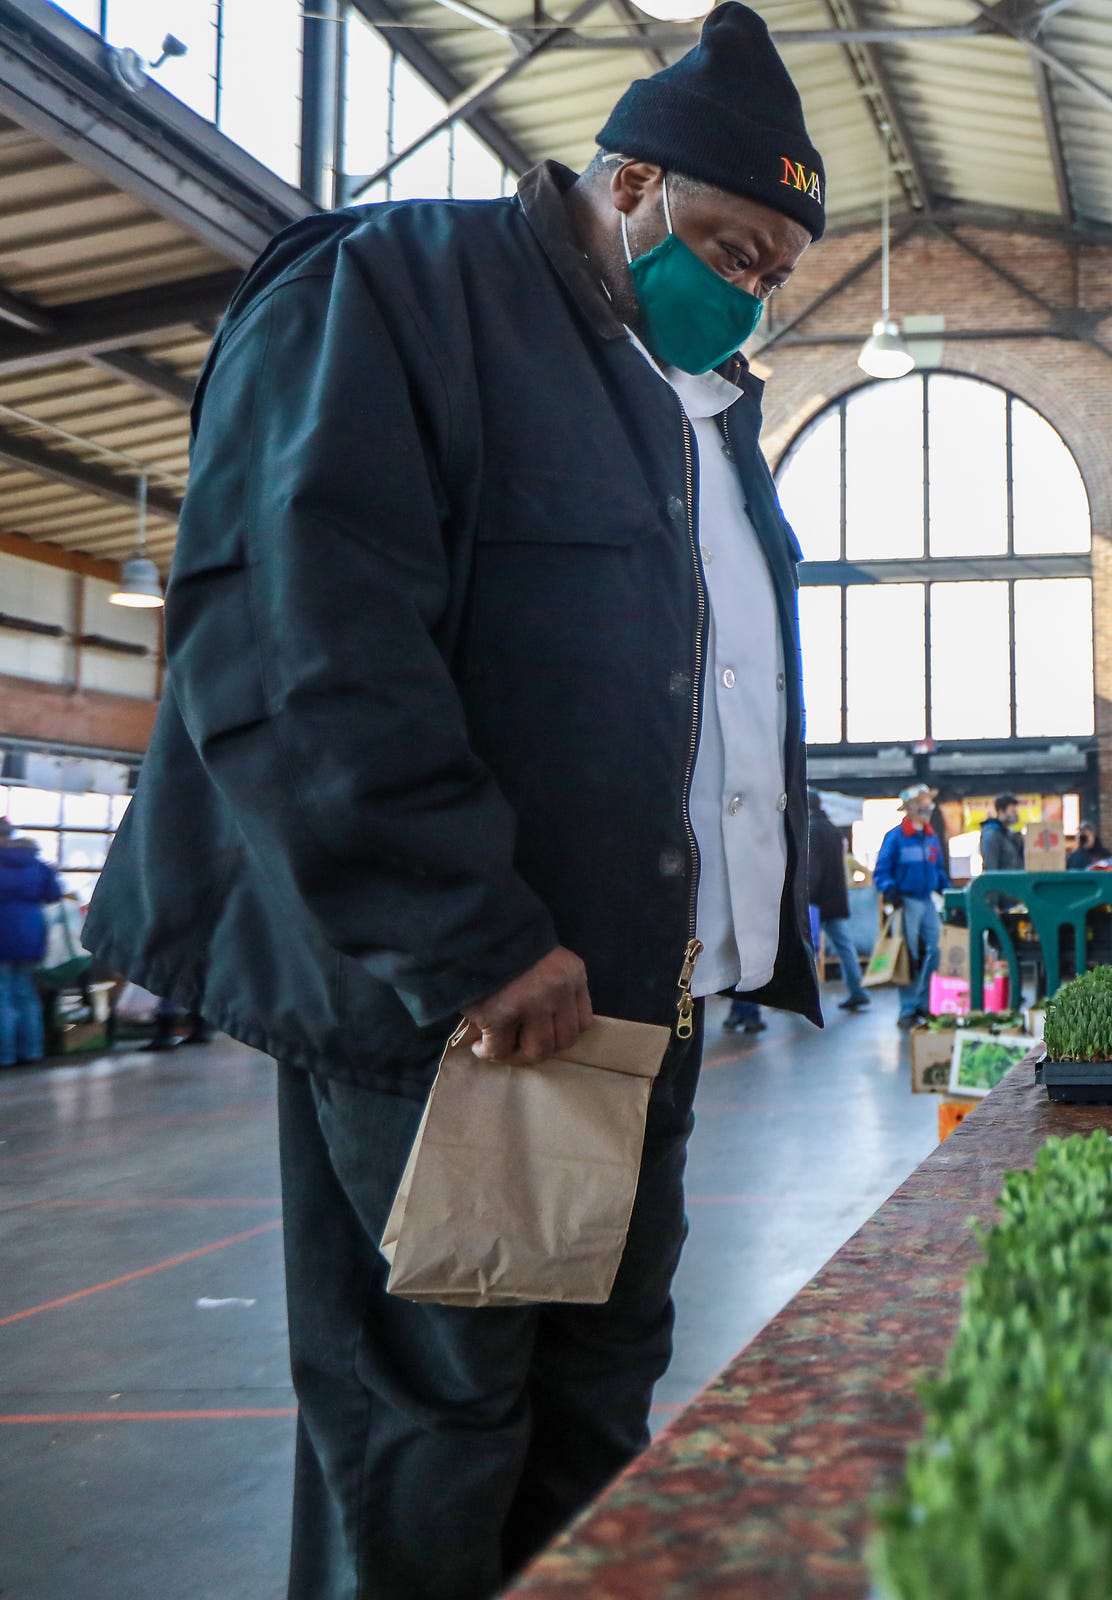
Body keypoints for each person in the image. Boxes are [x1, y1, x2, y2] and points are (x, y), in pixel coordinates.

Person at [83, 9, 828, 1596]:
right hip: (476, 1017)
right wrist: (468, 934)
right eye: (725, 242)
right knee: (433, 1429)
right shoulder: (401, 292)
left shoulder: (685, 408)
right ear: (626, 182)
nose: (747, 287)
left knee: (588, 1409)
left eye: (774, 269)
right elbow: (300, 637)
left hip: (638, 1012)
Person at [875, 784, 949, 1028]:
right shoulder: (895, 838)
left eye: (929, 802)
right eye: (924, 802)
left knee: (938, 950)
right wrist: (889, 889)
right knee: (908, 956)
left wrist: (949, 890)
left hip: (927, 900)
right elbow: (882, 871)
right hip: (905, 901)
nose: (928, 807)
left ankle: (925, 1003)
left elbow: (937, 870)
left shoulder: (930, 836)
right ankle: (907, 1010)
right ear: (910, 807)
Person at [0, 829, 60, 1066]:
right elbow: (54, 895)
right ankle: (32, 1051)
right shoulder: (38, 865)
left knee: (2, 995)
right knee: (26, 992)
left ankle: (4, 1055)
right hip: (32, 929)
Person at [809, 790, 870, 1012]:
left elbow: (812, 870)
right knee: (845, 947)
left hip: (815, 901)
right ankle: (858, 991)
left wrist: (805, 896)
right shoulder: (834, 831)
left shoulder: (811, 830)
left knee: (808, 948)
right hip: (836, 899)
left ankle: (805, 996)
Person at [978, 794, 1025, 873]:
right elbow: (990, 867)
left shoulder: (1009, 834)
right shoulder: (991, 835)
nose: (1016, 815)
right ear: (1001, 811)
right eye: (1013, 811)